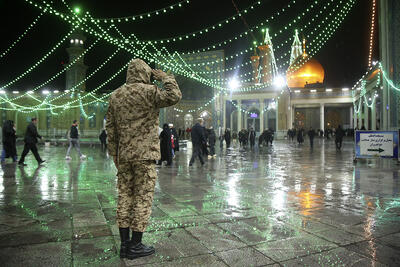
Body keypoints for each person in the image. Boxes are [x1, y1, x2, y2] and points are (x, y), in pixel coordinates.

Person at [106, 59, 181, 259]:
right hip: (145, 155)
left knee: (124, 197)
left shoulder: (115, 95)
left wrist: (115, 154)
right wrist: (165, 78)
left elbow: (110, 131)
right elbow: (174, 96)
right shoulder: (150, 91)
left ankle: (124, 245)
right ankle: (136, 245)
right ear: (145, 73)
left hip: (124, 157)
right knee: (143, 197)